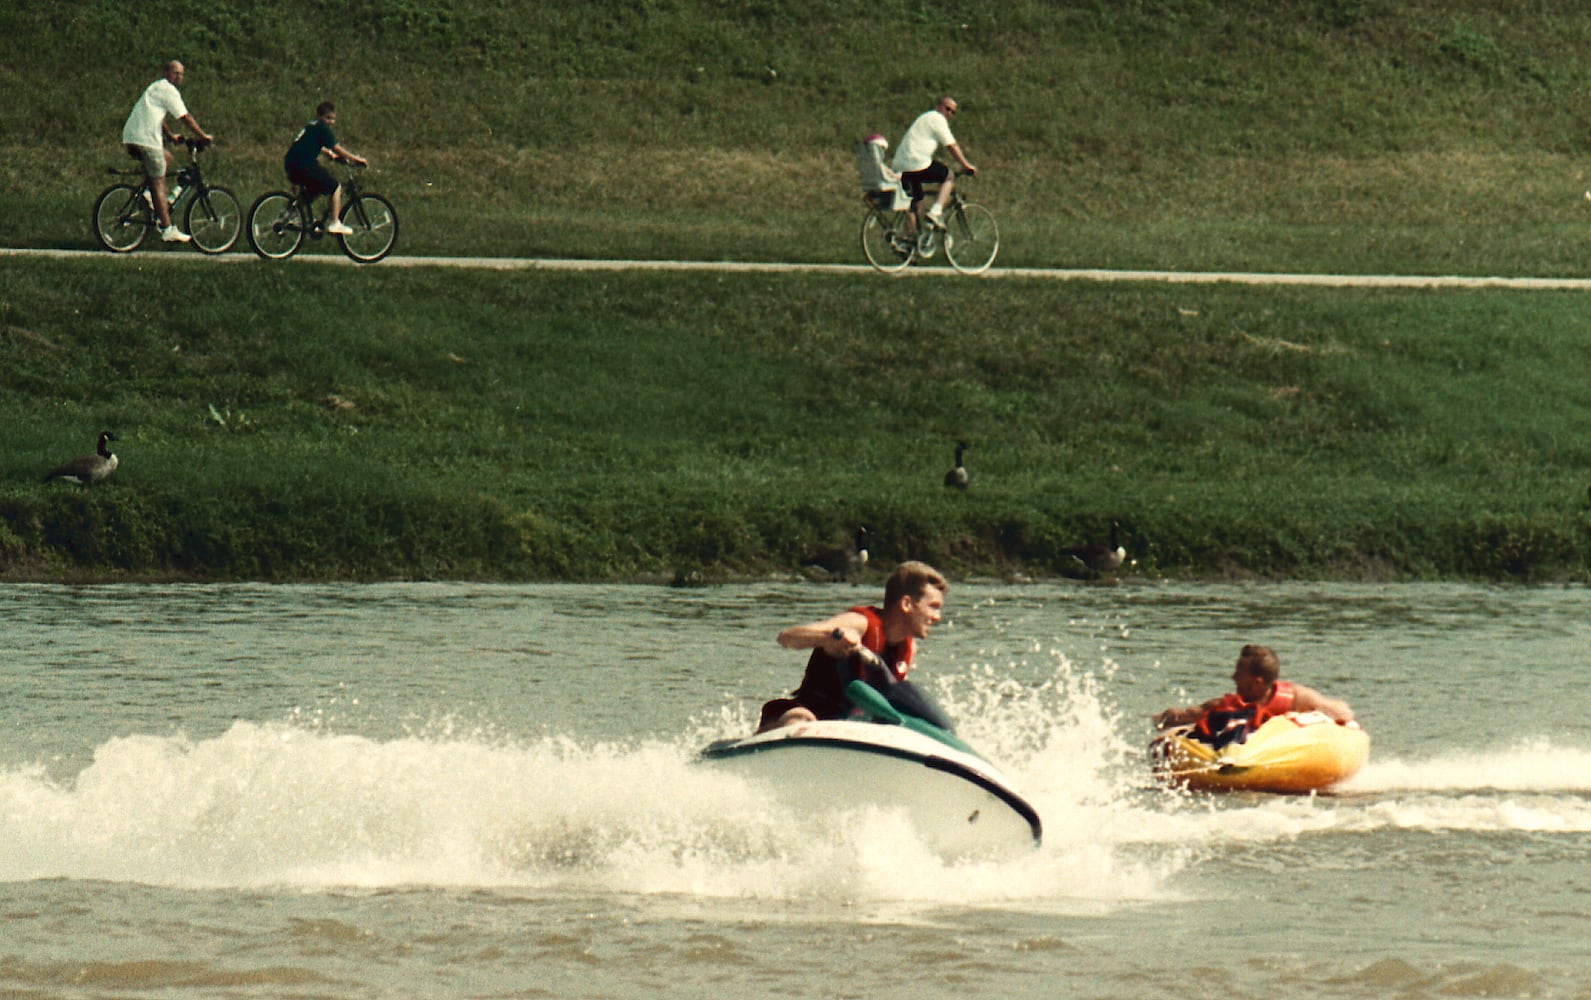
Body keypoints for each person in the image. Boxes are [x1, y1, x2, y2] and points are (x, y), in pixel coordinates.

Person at [758, 561, 951, 733]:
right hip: (800, 714)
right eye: (933, 606)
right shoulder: (860, 623)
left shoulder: (909, 649)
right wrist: (832, 636)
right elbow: (786, 637)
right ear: (907, 604)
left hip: (847, 727)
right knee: (801, 720)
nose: (937, 617)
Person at [1152, 644, 1355, 749]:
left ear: (1256, 682)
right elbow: (1189, 714)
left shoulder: (1298, 699)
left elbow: (1344, 715)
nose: (1233, 677)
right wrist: (1165, 718)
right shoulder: (1227, 707)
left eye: (1239, 675)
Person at [121, 60, 215, 243]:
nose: (178, 77)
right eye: (175, 73)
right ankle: (167, 228)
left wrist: (170, 136)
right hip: (145, 140)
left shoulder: (156, 87)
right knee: (159, 182)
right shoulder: (169, 91)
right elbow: (185, 117)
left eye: (181, 74)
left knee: (167, 158)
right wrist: (203, 136)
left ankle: (148, 197)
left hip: (132, 137)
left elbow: (158, 116)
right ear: (166, 72)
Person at [890, 95, 977, 231]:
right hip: (916, 163)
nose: (949, 114)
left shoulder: (925, 118)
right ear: (938, 107)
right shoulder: (937, 119)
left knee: (915, 204)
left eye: (953, 112)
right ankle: (935, 212)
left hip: (901, 165)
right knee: (949, 176)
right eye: (947, 109)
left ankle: (909, 243)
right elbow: (952, 146)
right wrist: (966, 165)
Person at [283, 101, 369, 235]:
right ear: (319, 116)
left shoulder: (311, 126)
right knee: (335, 186)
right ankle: (334, 223)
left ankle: (291, 212)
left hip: (292, 164)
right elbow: (337, 148)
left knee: (316, 188)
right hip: (304, 165)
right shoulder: (323, 128)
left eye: (333, 119)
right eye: (328, 118)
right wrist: (356, 159)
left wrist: (329, 154)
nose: (330, 122)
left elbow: (312, 143)